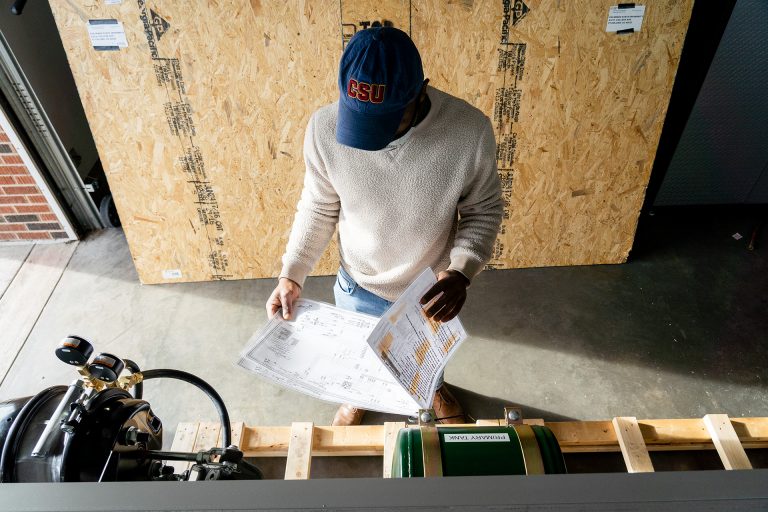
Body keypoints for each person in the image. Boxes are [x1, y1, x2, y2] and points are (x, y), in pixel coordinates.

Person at [266, 27, 503, 426]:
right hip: (358, 280)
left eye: (387, 121)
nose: (371, 137)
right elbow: (318, 206)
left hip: (428, 286)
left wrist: (462, 271)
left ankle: (432, 389)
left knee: (426, 358)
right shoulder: (324, 129)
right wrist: (292, 274)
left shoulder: (468, 132)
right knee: (362, 356)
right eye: (360, 119)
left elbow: (484, 209)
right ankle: (359, 394)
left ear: (420, 91)